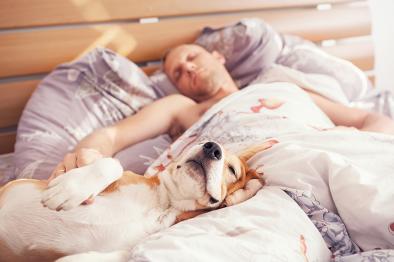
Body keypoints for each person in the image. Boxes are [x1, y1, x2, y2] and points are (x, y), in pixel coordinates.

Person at [49, 44, 394, 185]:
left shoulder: (284, 87)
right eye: (177, 73)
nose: (186, 68)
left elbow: (366, 120)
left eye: (192, 57)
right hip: (259, 169)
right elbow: (112, 136)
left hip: (336, 150)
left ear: (219, 56)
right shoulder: (183, 109)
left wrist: (368, 146)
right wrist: (86, 158)